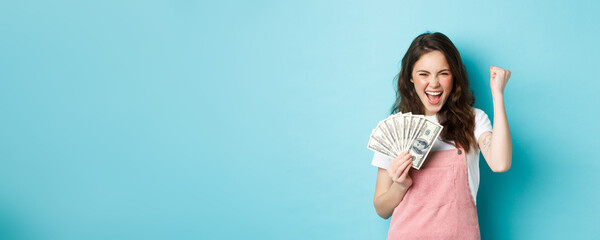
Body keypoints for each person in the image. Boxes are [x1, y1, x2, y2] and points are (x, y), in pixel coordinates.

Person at [371, 32, 513, 239]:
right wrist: (400, 185)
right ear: (410, 76)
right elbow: (381, 209)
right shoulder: (396, 128)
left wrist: (497, 94)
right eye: (424, 74)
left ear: (454, 76)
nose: (434, 83)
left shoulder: (474, 120)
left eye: (443, 73)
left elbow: (500, 163)